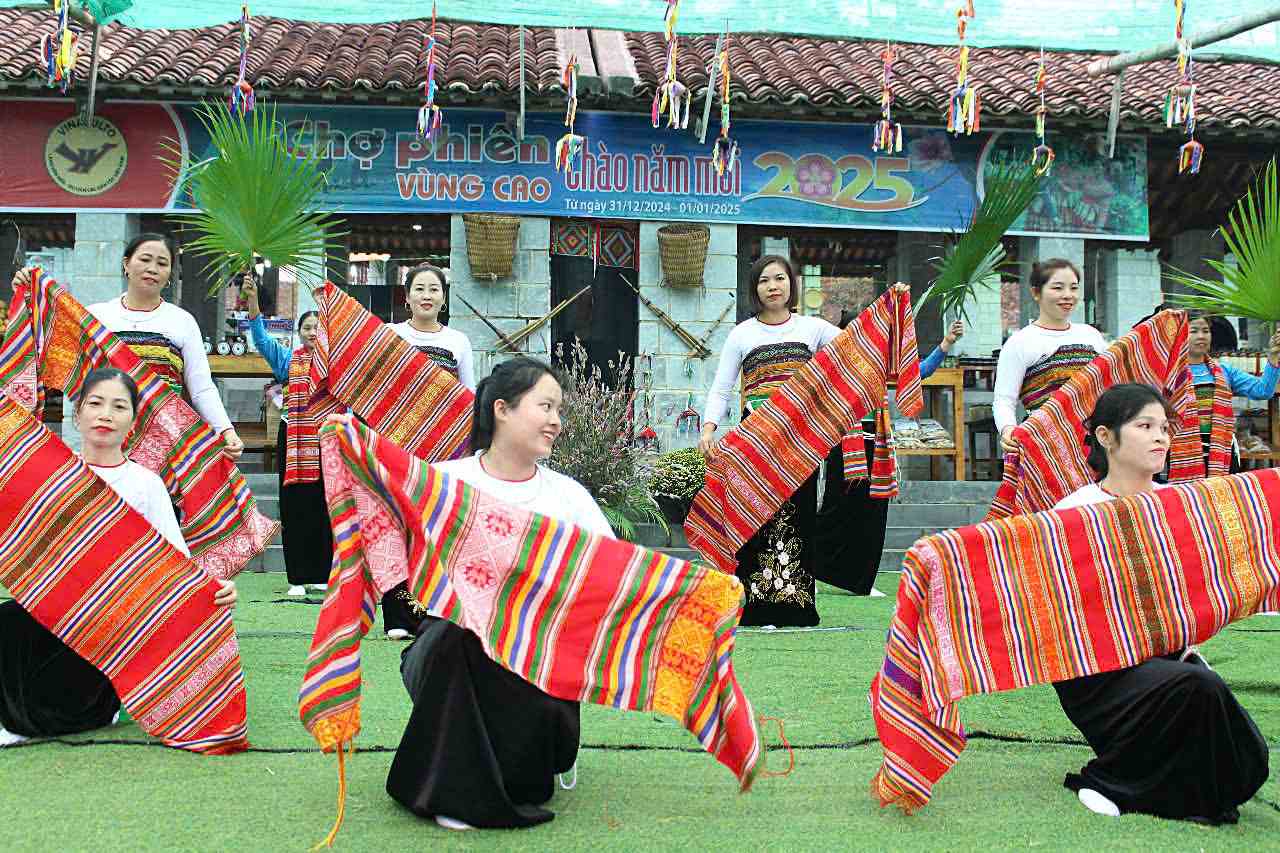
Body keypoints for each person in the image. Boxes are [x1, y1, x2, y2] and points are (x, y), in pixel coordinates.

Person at [384, 356, 612, 830]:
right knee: (461, 636)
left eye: (559, 410)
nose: (556, 421)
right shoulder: (446, 482)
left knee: (504, 644)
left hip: (538, 662)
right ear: (502, 409)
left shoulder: (569, 498)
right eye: (545, 406)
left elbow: (612, 579)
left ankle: (493, 775)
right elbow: (388, 537)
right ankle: (455, 792)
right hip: (450, 652)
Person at [1051, 382, 1267, 823]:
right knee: (1198, 689)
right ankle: (1103, 779)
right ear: (1106, 437)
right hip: (1096, 670)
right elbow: (1054, 604)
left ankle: (1166, 789)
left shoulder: (1184, 505)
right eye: (1145, 425)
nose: (1161, 437)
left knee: (1250, 755)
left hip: (1167, 658)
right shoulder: (1073, 511)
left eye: (1165, 428)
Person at [0, 368, 236, 747]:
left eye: (118, 406)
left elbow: (176, 563)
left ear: (132, 420)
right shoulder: (51, 472)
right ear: (77, 415)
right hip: (52, 605)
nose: (105, 414)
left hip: (112, 621)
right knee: (9, 621)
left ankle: (88, 706)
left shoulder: (145, 483)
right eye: (95, 403)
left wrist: (215, 589)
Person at [699, 255, 853, 626]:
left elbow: (857, 349)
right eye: (765, 280)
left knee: (800, 516)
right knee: (757, 515)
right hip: (756, 439)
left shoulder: (813, 329)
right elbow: (721, 389)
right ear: (755, 289)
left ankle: (798, 608)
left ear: (791, 284)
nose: (773, 286)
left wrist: (890, 310)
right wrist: (708, 428)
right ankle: (755, 608)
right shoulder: (742, 334)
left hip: (800, 440)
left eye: (779, 278)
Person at [83, 233, 244, 459]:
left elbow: (201, 387)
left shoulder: (182, 321)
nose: (152, 268)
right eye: (145, 259)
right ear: (126, 264)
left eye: (162, 263)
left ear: (170, 273)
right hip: (105, 436)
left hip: (164, 442)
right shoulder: (96, 316)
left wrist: (225, 430)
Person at [241, 275, 329, 598]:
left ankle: (321, 573)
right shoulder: (287, 359)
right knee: (293, 508)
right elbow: (262, 340)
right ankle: (296, 578)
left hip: (324, 442)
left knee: (322, 507)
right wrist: (253, 302)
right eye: (307, 327)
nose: (312, 332)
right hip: (292, 440)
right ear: (299, 332)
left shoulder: (334, 364)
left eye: (317, 328)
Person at [994, 259, 1106, 453]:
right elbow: (1004, 399)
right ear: (1036, 292)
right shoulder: (1020, 342)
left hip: (1095, 444)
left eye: (1073, 288)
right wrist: (1008, 429)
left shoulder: (1091, 335)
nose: (1068, 296)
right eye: (1057, 288)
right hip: (1045, 444)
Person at [1185, 312, 1280, 475]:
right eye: (1193, 331)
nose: (1201, 336)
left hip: (1222, 454)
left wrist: (1272, 357)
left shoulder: (1224, 370)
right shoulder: (1169, 373)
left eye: (1206, 331)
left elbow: (1263, 391)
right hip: (1182, 454)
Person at [390, 263, 476, 390]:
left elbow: (468, 396)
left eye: (434, 289)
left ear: (443, 298)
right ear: (407, 296)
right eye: (419, 289)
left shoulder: (459, 341)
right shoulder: (390, 333)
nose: (426, 296)